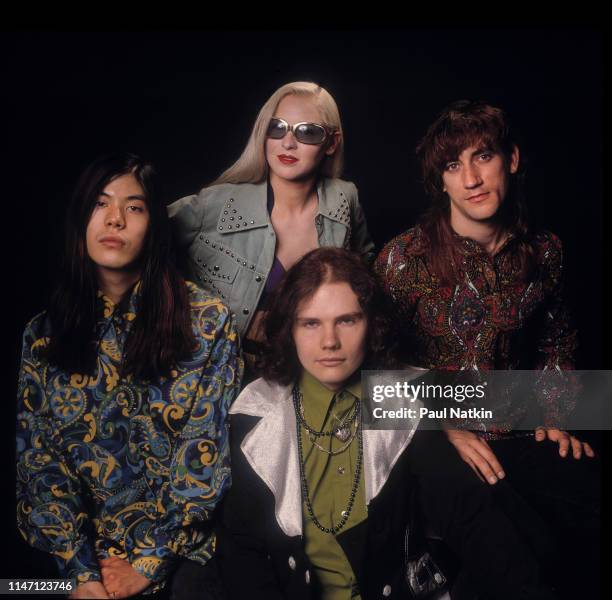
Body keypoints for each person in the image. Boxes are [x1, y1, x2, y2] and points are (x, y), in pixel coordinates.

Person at [216, 247, 558, 600]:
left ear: (371, 324)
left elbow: (472, 522)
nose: (329, 341)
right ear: (290, 330)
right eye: (311, 323)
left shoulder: (403, 405)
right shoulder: (255, 414)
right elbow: (242, 549)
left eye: (347, 320)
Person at [374, 100, 600, 598]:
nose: (471, 178)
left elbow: (555, 342)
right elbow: (375, 374)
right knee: (516, 549)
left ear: (512, 159)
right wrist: (441, 427)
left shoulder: (546, 251)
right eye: (454, 166)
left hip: (517, 429)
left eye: (483, 157)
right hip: (435, 442)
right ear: (441, 182)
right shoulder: (400, 260)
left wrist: (556, 417)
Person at [16, 154, 242, 599]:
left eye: (134, 207)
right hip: (75, 563)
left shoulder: (208, 323)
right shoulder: (42, 336)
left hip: (182, 557)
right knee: (18, 588)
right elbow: (39, 467)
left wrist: (145, 565)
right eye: (100, 204)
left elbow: (204, 460)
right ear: (81, 218)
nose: (115, 219)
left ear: (154, 225)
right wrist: (81, 573)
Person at [167, 81, 375, 375]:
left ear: (331, 142)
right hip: (217, 376)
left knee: (402, 402)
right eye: (276, 127)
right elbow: (138, 242)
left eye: (307, 132)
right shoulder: (217, 203)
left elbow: (365, 274)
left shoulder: (344, 199)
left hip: (307, 377)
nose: (287, 143)